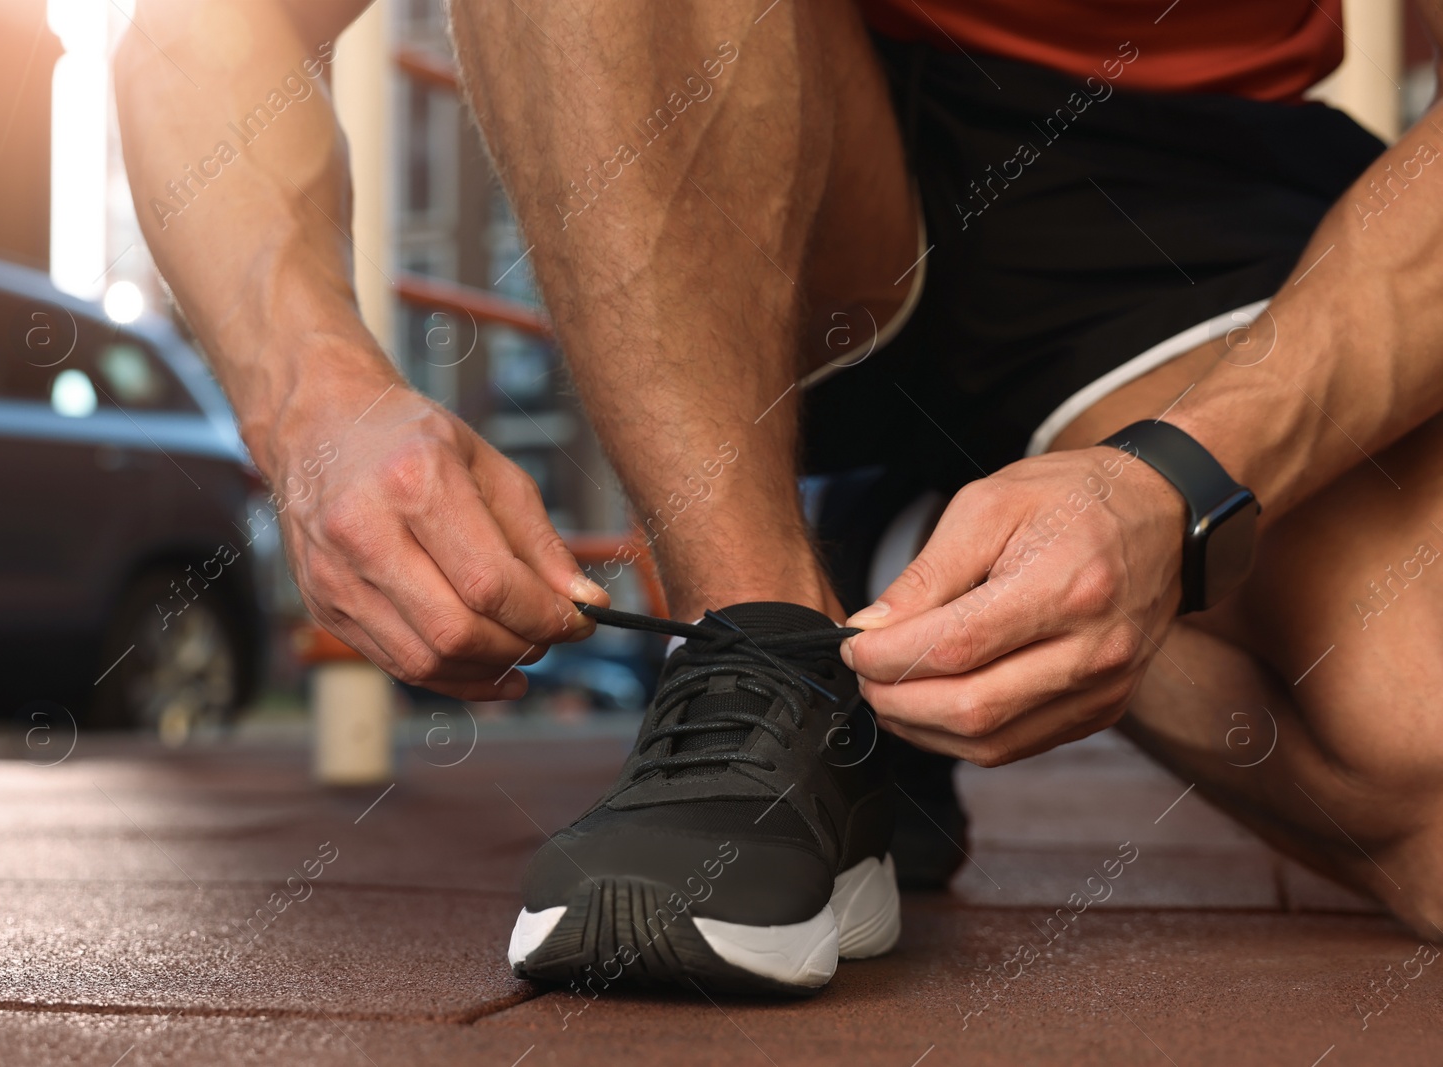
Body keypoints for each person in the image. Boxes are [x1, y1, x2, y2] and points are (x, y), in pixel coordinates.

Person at [118, 0, 1443, 994]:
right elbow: (201, 30)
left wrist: (1184, 480)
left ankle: (901, 569)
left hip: (1174, 186)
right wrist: (318, 407)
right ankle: (771, 652)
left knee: (1425, 755)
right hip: (741, 123)